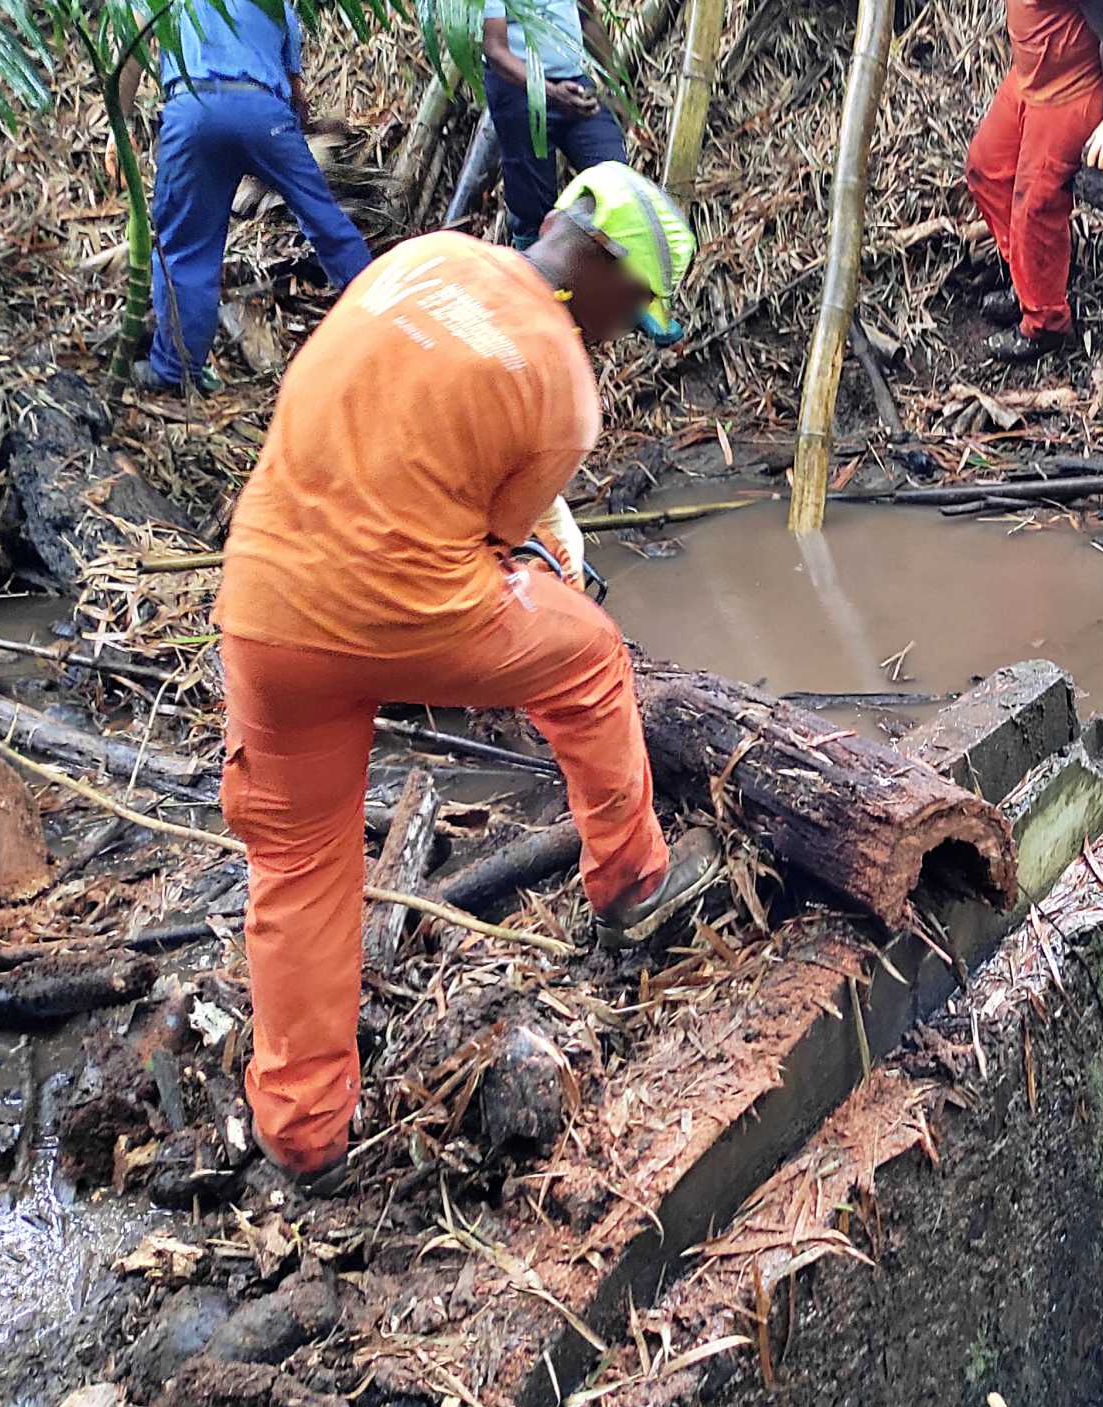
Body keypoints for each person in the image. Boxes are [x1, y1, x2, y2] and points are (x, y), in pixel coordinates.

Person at [213, 163, 711, 1190]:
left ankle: (303, 1134)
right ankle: (632, 880)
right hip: (400, 614)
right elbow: (501, 546)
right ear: (604, 266)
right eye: (634, 309)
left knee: (301, 865)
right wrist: (561, 578)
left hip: (263, 605)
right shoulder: (562, 388)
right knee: (587, 660)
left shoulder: (425, 258)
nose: (624, 333)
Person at [131, 0, 373, 394]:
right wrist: (288, 137)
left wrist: (119, 123)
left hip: (194, 111)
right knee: (325, 222)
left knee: (185, 249)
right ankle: (383, 317)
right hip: (263, 111)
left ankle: (175, 371)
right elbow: (296, 90)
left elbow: (134, 45)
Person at [964, 0, 1103, 362]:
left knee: (1034, 208)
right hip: (1034, 80)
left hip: (1081, 86)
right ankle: (1029, 280)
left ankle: (1045, 325)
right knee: (986, 168)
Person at [483, 0, 627, 249]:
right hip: (516, 90)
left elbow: (587, 17)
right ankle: (531, 273)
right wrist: (549, 92)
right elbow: (495, 49)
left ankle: (603, 266)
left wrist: (615, 86)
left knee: (615, 174)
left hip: (572, 80)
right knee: (531, 204)